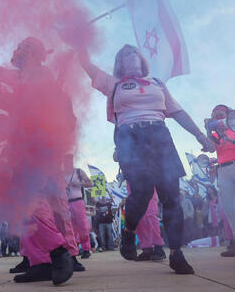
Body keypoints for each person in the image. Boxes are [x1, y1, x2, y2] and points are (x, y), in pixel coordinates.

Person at [77, 45, 214, 274]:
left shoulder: (157, 83)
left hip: (160, 137)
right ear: (119, 64)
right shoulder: (114, 84)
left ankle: (176, 253)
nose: (128, 57)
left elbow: (177, 111)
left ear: (141, 60)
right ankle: (129, 231)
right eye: (122, 55)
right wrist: (77, 43)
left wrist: (200, 135)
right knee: (141, 194)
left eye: (132, 53)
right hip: (131, 138)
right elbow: (88, 66)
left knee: (171, 198)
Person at [0, 19, 76, 286]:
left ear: (37, 53)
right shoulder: (20, 76)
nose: (21, 48)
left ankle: (59, 252)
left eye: (28, 46)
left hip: (40, 145)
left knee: (31, 199)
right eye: (21, 46)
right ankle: (40, 261)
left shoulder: (43, 75)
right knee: (24, 202)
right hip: (23, 145)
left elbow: (60, 113)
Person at [207, 105, 235, 257]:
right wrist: (208, 131)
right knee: (229, 208)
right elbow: (210, 148)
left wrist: (228, 137)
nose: (217, 117)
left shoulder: (233, 127)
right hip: (223, 170)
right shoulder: (216, 134)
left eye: (220, 114)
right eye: (215, 115)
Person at [63, 154, 93, 259]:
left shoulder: (78, 172)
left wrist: (79, 183)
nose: (67, 163)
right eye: (65, 160)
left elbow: (90, 183)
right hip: (66, 203)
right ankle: (74, 250)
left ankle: (86, 249)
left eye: (69, 160)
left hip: (78, 202)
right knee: (70, 228)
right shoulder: (61, 174)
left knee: (83, 226)